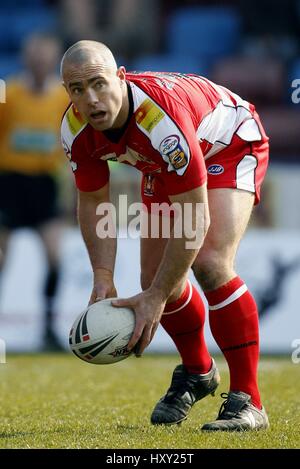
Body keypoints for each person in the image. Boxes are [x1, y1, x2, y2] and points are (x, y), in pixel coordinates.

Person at [60, 40, 270, 431]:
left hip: (229, 144)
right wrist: (103, 276)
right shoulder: (75, 129)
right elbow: (93, 203)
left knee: (208, 263)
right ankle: (198, 372)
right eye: (77, 90)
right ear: (68, 93)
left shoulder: (160, 121)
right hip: (163, 165)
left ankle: (249, 401)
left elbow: (195, 218)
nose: (91, 99)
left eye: (98, 83)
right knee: (156, 280)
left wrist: (155, 297)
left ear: (120, 77)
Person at [0, 34, 70, 350]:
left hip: (44, 183)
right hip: (10, 183)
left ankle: (48, 327)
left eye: (45, 58)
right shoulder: (9, 94)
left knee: (55, 257)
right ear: (26, 59)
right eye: (35, 57)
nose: (40, 63)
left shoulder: (62, 98)